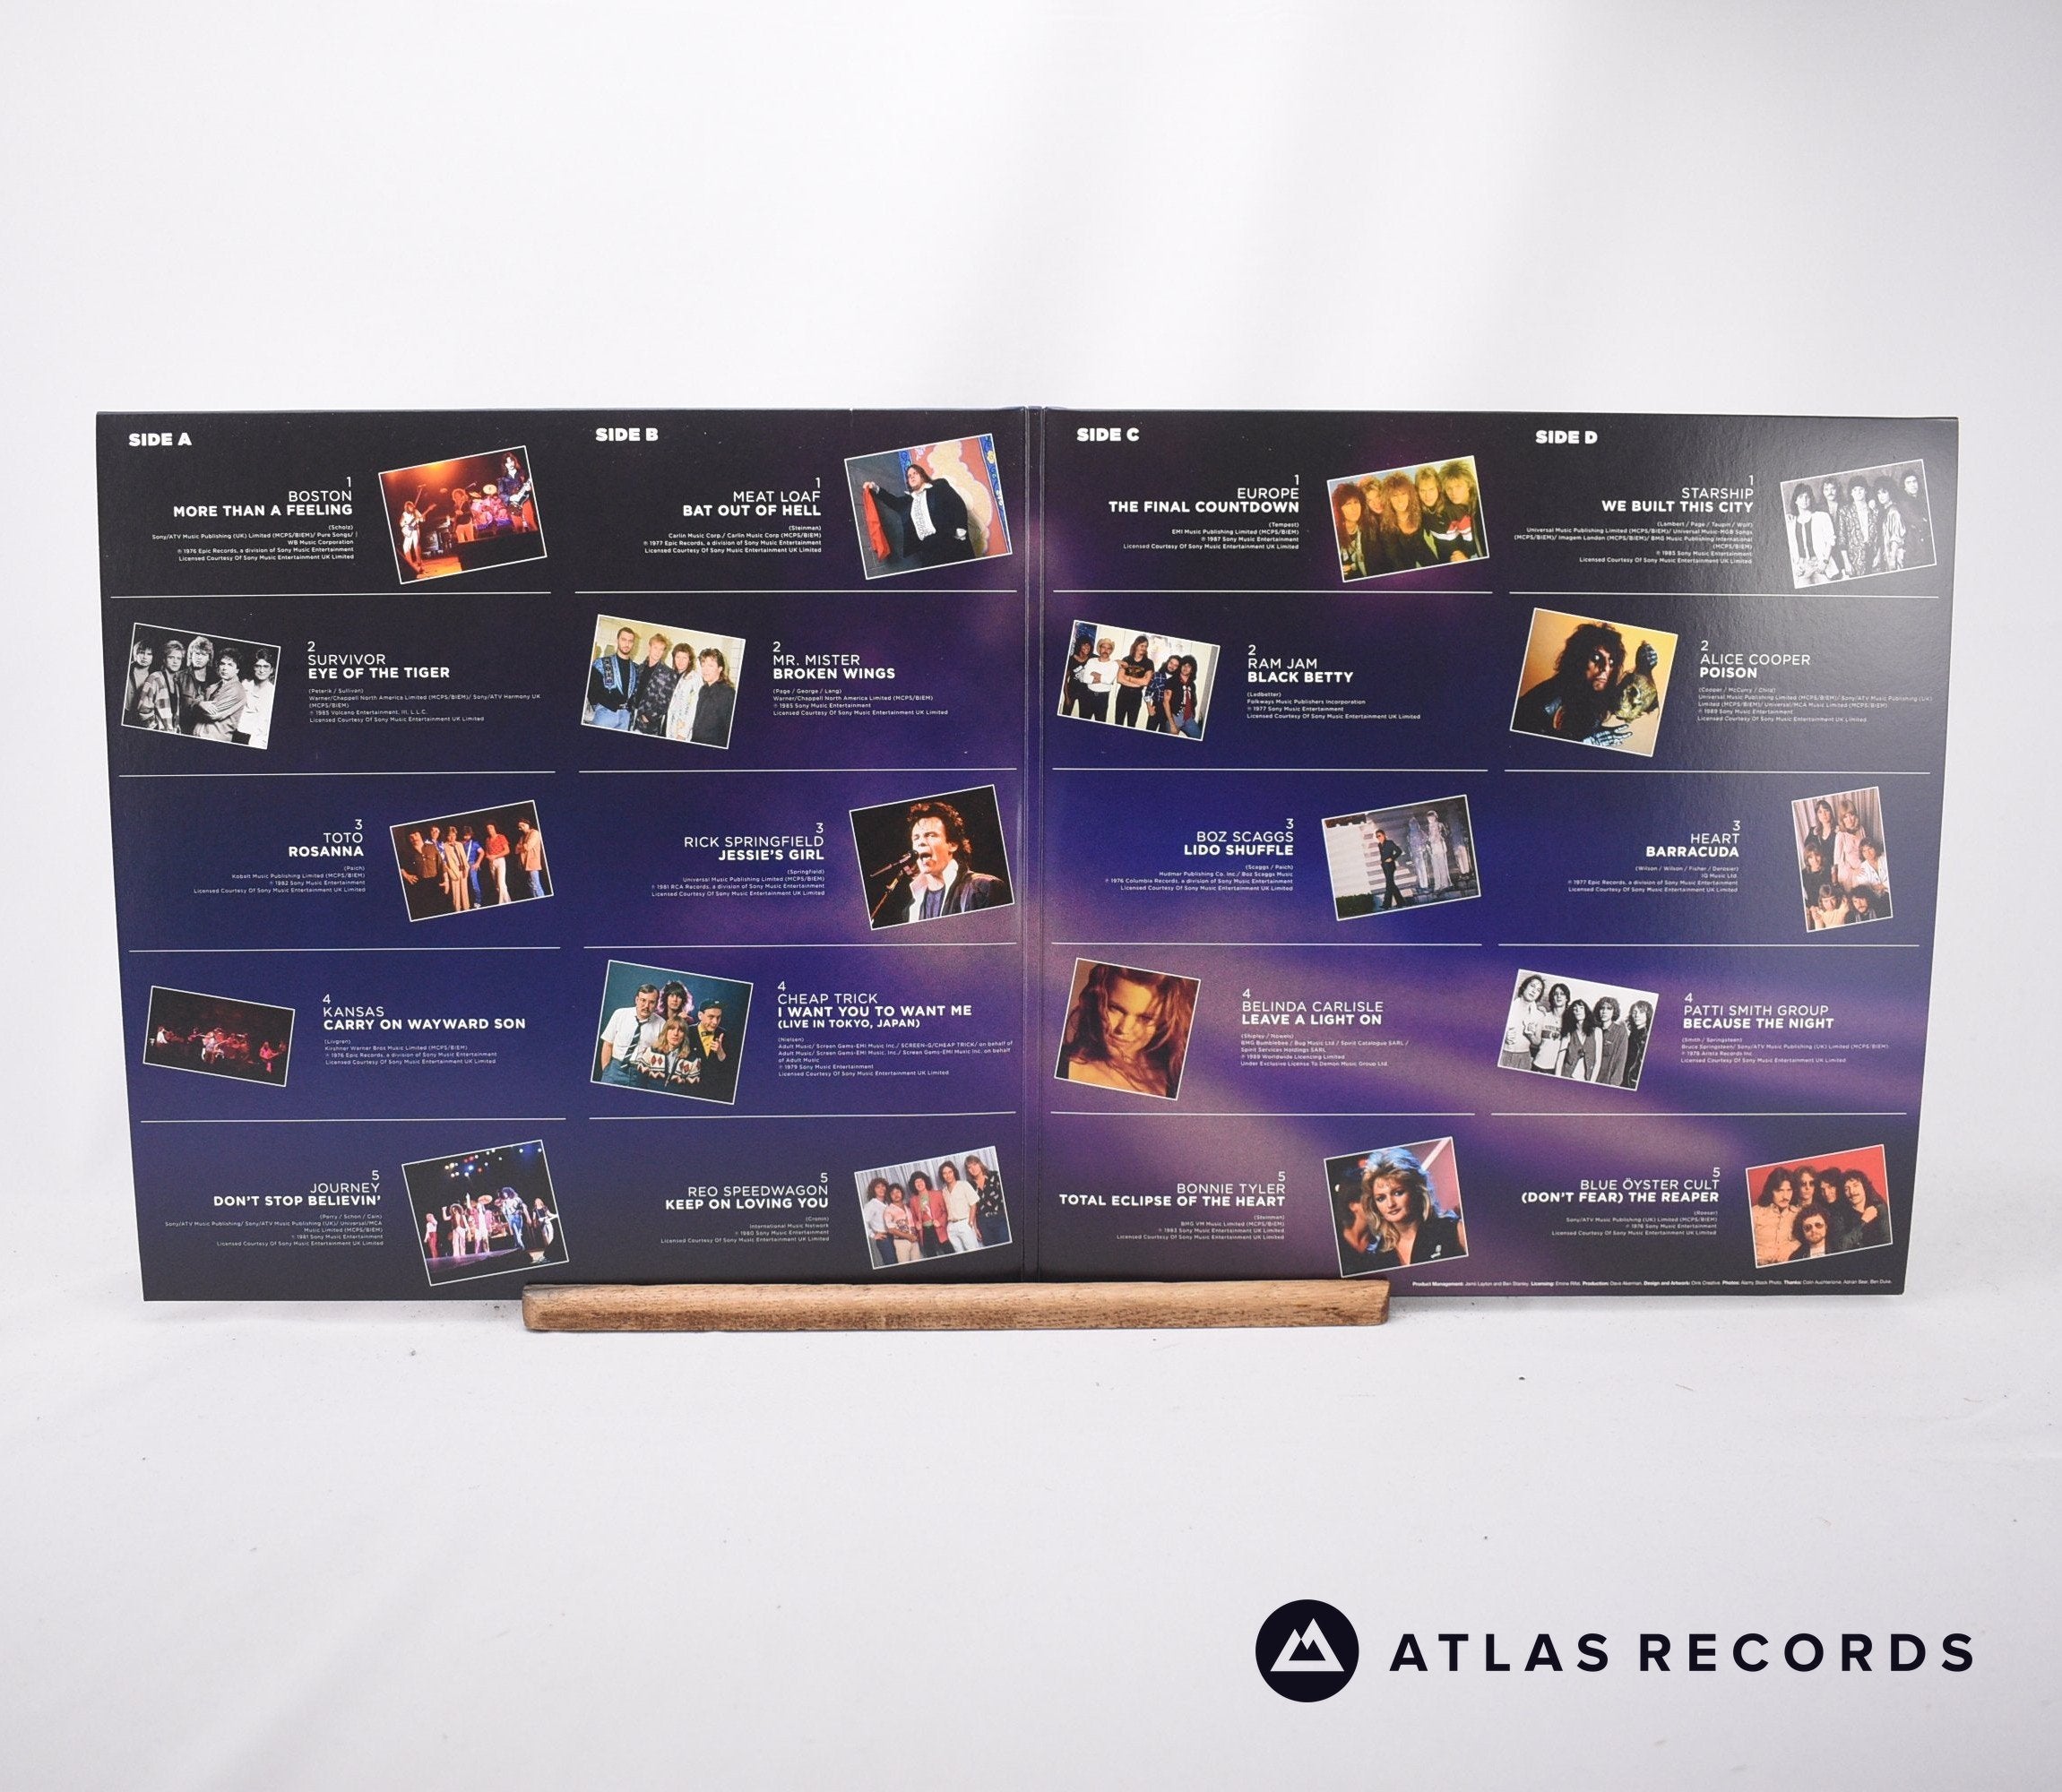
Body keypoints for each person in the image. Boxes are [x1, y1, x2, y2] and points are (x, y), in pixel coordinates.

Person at [1057, 963, 1195, 1098]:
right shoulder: (1056, 1062)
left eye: (1145, 1018)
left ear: (1163, 1020)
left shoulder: (1178, 1078)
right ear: (1096, 1001)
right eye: (1115, 1008)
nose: (1124, 1029)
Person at [871, 798, 1006, 926]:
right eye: (916, 838)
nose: (921, 842)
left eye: (931, 835)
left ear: (952, 844)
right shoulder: (911, 910)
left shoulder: (985, 889)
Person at [1512, 621, 1629, 745]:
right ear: (1578, 659)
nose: (1606, 668)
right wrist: (1586, 743)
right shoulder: (1547, 703)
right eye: (1596, 658)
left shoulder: (1589, 693)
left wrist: (1593, 733)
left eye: (1611, 662)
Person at [1360, 1148, 1466, 1270]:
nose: (1390, 1204)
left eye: (1398, 1193)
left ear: (1416, 1190)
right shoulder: (1376, 1255)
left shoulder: (1453, 1230)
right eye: (1381, 1198)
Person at [865, 461, 974, 567]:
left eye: (915, 473)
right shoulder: (908, 501)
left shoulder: (939, 486)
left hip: (947, 540)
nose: (912, 477)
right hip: (927, 548)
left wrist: (960, 529)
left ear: (922, 475)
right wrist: (874, 487)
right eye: (909, 476)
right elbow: (893, 501)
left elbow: (957, 504)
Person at [1374, 472, 1439, 573]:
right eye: (1394, 496)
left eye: (1403, 494)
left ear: (1410, 495)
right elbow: (1395, 559)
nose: (1400, 500)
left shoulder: (1419, 510)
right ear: (1388, 499)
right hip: (1400, 561)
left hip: (1423, 550)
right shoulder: (1386, 525)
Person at [597, 981, 664, 1077]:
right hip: (615, 1070)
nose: (646, 1006)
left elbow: (661, 1053)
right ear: (636, 1000)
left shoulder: (662, 1024)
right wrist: (606, 1072)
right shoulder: (620, 1014)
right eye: (643, 1000)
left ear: (657, 1004)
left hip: (641, 1073)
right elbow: (608, 1044)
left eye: (651, 1002)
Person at [1427, 461, 1485, 560]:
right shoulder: (1452, 508)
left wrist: (1466, 558)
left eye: (1458, 486)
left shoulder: (1479, 508)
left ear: (1469, 485)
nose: (1453, 493)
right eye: (1449, 488)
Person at [587, 625, 642, 728]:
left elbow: (636, 694)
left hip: (626, 717)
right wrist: (602, 707)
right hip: (605, 714)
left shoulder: (636, 668)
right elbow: (592, 691)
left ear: (633, 644)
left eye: (630, 641)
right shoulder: (601, 663)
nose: (627, 644)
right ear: (617, 640)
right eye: (624, 639)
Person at [1788, 483, 1839, 586]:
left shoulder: (1822, 517)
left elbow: (1830, 541)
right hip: (1802, 566)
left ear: (1811, 499)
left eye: (1807, 497)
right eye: (1801, 497)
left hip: (1820, 563)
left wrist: (1824, 562)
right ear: (1795, 501)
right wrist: (1794, 567)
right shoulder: (1790, 522)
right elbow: (1790, 547)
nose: (1804, 500)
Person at [685, 646, 736, 747]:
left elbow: (729, 728)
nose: (705, 670)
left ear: (720, 669)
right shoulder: (703, 689)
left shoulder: (728, 693)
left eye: (710, 666)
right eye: (703, 665)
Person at [1831, 1169, 1892, 1253]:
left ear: (1864, 1187)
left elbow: (1888, 1240)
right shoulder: (1840, 1216)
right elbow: (1842, 1246)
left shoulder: (1879, 1208)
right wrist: (1863, 1221)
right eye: (1846, 1189)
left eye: (1855, 1186)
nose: (1852, 1192)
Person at [629, 631, 677, 736]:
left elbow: (666, 701)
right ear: (650, 647)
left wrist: (648, 716)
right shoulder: (640, 668)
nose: (658, 652)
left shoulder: (669, 673)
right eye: (655, 647)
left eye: (661, 649)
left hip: (648, 725)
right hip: (632, 717)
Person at [1752, 1168, 1802, 1267]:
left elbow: (1806, 1239)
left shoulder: (1798, 1214)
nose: (1785, 1196)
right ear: (1770, 1191)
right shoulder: (1755, 1213)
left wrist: (1790, 1248)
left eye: (1789, 1190)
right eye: (1779, 1190)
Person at [1500, 975, 1550, 1071]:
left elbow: (1537, 1042)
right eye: (1532, 986)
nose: (1534, 991)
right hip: (1503, 1053)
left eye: (1538, 990)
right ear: (1524, 987)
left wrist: (1530, 1035)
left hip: (1523, 1057)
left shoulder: (1539, 1015)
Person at [135, 636, 184, 732]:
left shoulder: (176, 683)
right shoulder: (155, 678)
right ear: (164, 659)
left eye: (179, 658)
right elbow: (143, 710)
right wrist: (157, 728)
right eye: (171, 657)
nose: (175, 661)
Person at [938, 1158, 982, 1254]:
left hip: (964, 1223)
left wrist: (970, 1223)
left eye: (950, 1172)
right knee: (959, 1253)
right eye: (944, 1173)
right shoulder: (944, 1191)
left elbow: (973, 1205)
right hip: (951, 1227)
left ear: (954, 1172)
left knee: (973, 1251)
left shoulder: (964, 1185)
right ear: (942, 1176)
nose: (948, 1175)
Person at [1835, 476, 1877, 580]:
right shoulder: (1844, 511)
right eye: (1855, 490)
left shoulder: (1873, 509)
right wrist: (1846, 562)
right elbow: (1842, 539)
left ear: (1866, 491)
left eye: (1861, 489)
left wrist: (1879, 555)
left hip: (1873, 554)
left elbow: (1879, 534)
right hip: (1854, 558)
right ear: (1851, 492)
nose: (1858, 492)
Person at [694, 999, 735, 1100]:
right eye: (711, 1017)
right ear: (700, 1015)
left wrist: (720, 1052)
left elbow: (732, 1070)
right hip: (690, 1091)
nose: (715, 1022)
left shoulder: (725, 1035)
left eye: (718, 1017)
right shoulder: (686, 1032)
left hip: (715, 1093)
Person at [235, 650, 275, 749]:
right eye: (258, 666)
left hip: (256, 740)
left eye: (266, 666)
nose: (262, 670)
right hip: (237, 733)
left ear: (272, 670)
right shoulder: (244, 684)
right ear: (253, 667)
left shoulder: (272, 692)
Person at [967, 1155, 1008, 1246]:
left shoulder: (995, 1175)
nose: (973, 1169)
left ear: (980, 1164)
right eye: (969, 1167)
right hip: (983, 1222)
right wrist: (975, 1228)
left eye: (974, 1164)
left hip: (1000, 1217)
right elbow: (972, 1207)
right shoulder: (969, 1185)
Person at [1530, 984, 1571, 1073]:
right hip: (1537, 1066)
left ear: (1567, 998)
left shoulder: (1570, 1021)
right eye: (1556, 994)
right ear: (1552, 998)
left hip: (1557, 1069)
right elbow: (1535, 1041)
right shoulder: (1544, 1016)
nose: (1559, 996)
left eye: (1562, 994)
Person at [1114, 636, 1154, 729]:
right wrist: (1138, 683)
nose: (1144, 648)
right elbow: (1119, 679)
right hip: (1123, 694)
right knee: (1118, 722)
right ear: (1136, 645)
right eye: (1142, 646)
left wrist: (1128, 678)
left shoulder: (1148, 663)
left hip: (1136, 697)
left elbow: (1146, 682)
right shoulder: (1126, 659)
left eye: (1146, 646)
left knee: (1131, 724)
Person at [1333, 484, 1372, 580]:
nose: (1354, 508)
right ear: (1339, 509)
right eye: (1348, 504)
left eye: (1356, 502)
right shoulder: (1335, 533)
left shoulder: (1367, 531)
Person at [907, 1170, 948, 1259]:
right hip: (925, 1231)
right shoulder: (913, 1200)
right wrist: (917, 1224)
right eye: (916, 1182)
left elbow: (945, 1211)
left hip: (939, 1229)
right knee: (931, 1256)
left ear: (925, 1181)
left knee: (949, 1252)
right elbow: (914, 1217)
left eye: (921, 1180)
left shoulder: (937, 1194)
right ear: (913, 1185)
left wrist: (940, 1222)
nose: (919, 1183)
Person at [1077, 635, 1118, 723]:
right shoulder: (1091, 661)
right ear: (1100, 648)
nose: (1106, 650)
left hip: (1103, 699)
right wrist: (1104, 679)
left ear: (1111, 651)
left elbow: (1109, 680)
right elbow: (1086, 679)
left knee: (1100, 725)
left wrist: (1095, 674)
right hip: (1088, 696)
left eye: (1109, 648)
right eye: (1103, 647)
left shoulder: (1114, 664)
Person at [1897, 469, 1932, 565]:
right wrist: (1925, 521)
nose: (1913, 485)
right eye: (1908, 483)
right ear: (1904, 487)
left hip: (1926, 545)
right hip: (1914, 549)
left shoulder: (1923, 499)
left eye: (1914, 481)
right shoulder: (1904, 504)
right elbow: (1922, 524)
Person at [1557, 998, 1598, 1081]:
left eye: (1581, 1008)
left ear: (1586, 1011)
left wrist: (1592, 1083)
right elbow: (1560, 1060)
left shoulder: (1597, 1031)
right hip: (1568, 1077)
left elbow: (1598, 1062)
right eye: (1575, 1009)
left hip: (1587, 1079)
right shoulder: (1569, 1033)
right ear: (1572, 1013)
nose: (1578, 1010)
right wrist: (1557, 1080)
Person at [861, 1177, 896, 1268]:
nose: (881, 1189)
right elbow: (863, 1222)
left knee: (899, 1261)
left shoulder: (888, 1202)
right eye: (878, 1187)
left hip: (895, 1236)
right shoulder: (871, 1205)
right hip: (884, 1239)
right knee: (891, 1263)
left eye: (883, 1186)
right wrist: (873, 1235)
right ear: (873, 1190)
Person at [1872, 479, 1906, 573]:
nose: (1881, 496)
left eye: (1884, 492)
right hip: (1885, 554)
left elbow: (1896, 537)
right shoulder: (1882, 511)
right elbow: (1881, 537)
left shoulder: (1893, 511)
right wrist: (1878, 555)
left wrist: (1892, 559)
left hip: (1894, 555)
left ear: (1890, 492)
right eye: (1878, 493)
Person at [1594, 996, 1630, 1086]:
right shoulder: (1594, 1030)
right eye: (1602, 1008)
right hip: (1591, 1078)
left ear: (1614, 1012)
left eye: (1609, 1008)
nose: (1604, 1011)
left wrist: (1613, 1084)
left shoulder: (1620, 1032)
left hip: (1607, 1082)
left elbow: (1621, 1061)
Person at [1166, 655, 1203, 738]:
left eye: (1188, 666)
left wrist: (1192, 713)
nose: (1185, 668)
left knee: (1198, 736)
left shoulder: (1192, 685)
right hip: (1175, 716)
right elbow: (1166, 702)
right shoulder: (1172, 681)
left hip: (1188, 716)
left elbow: (1193, 700)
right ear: (1180, 667)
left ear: (1192, 670)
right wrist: (1172, 724)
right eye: (1184, 665)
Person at [884, 1185, 921, 1264]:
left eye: (898, 1192)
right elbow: (891, 1229)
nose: (896, 1195)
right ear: (890, 1196)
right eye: (892, 1193)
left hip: (914, 1240)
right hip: (901, 1242)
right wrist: (908, 1236)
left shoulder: (908, 1206)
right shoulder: (888, 1210)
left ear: (902, 1193)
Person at [439, 824, 471, 913]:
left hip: (463, 871)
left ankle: (467, 909)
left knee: (465, 892)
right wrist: (450, 872)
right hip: (454, 871)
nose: (452, 837)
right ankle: (457, 910)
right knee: (456, 894)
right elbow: (444, 862)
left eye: (454, 835)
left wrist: (467, 868)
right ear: (446, 836)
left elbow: (464, 858)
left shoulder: (459, 844)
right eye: (450, 835)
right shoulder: (444, 846)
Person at [514, 816, 548, 900]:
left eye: (522, 825)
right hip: (525, 864)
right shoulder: (522, 837)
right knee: (531, 884)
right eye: (519, 827)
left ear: (527, 824)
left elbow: (528, 847)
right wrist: (521, 847)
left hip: (533, 863)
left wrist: (521, 846)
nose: (521, 828)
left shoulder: (535, 833)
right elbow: (516, 851)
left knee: (536, 884)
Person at [1059, 636, 1094, 718]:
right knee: (1066, 715)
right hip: (1072, 691)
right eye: (1084, 645)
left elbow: (1104, 658)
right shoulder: (1071, 659)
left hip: (1085, 693)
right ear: (1079, 645)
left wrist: (1117, 662)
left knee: (1084, 717)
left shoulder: (1092, 658)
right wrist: (1067, 697)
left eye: (1088, 645)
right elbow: (1065, 679)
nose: (1087, 647)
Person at [1621, 1000, 1652, 1088]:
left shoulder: (1647, 1036)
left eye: (1641, 1012)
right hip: (1624, 1078)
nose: (1637, 1015)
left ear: (1648, 1015)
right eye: (1634, 1012)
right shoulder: (1632, 1034)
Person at [1373, 828, 1405, 910]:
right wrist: (1381, 861)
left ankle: (1386, 904)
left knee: (1388, 884)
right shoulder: (1379, 845)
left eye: (1379, 836)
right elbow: (1382, 855)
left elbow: (1399, 851)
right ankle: (1401, 902)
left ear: (1384, 835)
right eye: (1377, 836)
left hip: (1390, 866)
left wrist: (1392, 858)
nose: (1378, 838)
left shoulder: (1390, 843)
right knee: (1391, 885)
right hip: (1384, 866)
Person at [481, 821, 511, 904]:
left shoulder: (501, 837)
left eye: (491, 828)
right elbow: (487, 851)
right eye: (488, 828)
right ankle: (508, 902)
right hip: (491, 862)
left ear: (495, 828)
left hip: (500, 861)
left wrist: (495, 856)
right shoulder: (487, 839)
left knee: (501, 883)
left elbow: (507, 850)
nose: (489, 830)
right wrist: (488, 856)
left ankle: (501, 903)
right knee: (497, 885)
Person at [1424, 808, 1452, 892]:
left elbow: (1446, 834)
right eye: (1429, 818)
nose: (1430, 819)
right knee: (1435, 867)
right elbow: (1425, 838)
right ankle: (1437, 885)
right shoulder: (1426, 827)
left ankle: (1445, 884)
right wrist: (1428, 844)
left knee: (1442, 865)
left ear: (1435, 817)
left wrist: (1441, 836)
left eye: (1432, 817)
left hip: (1440, 846)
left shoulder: (1440, 825)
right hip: (1432, 848)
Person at [398, 497, 426, 575]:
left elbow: (422, 520)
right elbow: (401, 523)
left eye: (412, 506)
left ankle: (420, 565)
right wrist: (406, 524)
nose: (411, 507)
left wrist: (422, 517)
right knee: (405, 547)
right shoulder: (404, 514)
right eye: (410, 506)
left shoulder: (416, 511)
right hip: (409, 532)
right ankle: (410, 564)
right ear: (407, 507)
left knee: (416, 546)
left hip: (415, 530)